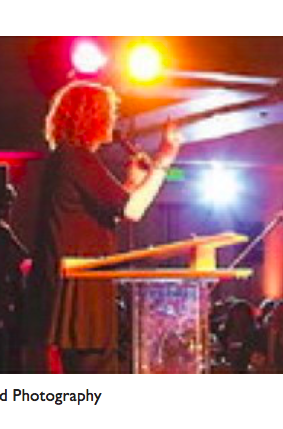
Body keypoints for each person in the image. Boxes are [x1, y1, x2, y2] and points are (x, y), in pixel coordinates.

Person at [24, 80, 181, 373]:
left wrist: (132, 182)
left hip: (73, 292)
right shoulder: (77, 157)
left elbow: (109, 212)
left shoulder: (64, 158)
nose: (113, 121)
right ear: (92, 118)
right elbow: (133, 210)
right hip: (81, 297)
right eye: (108, 114)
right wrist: (165, 159)